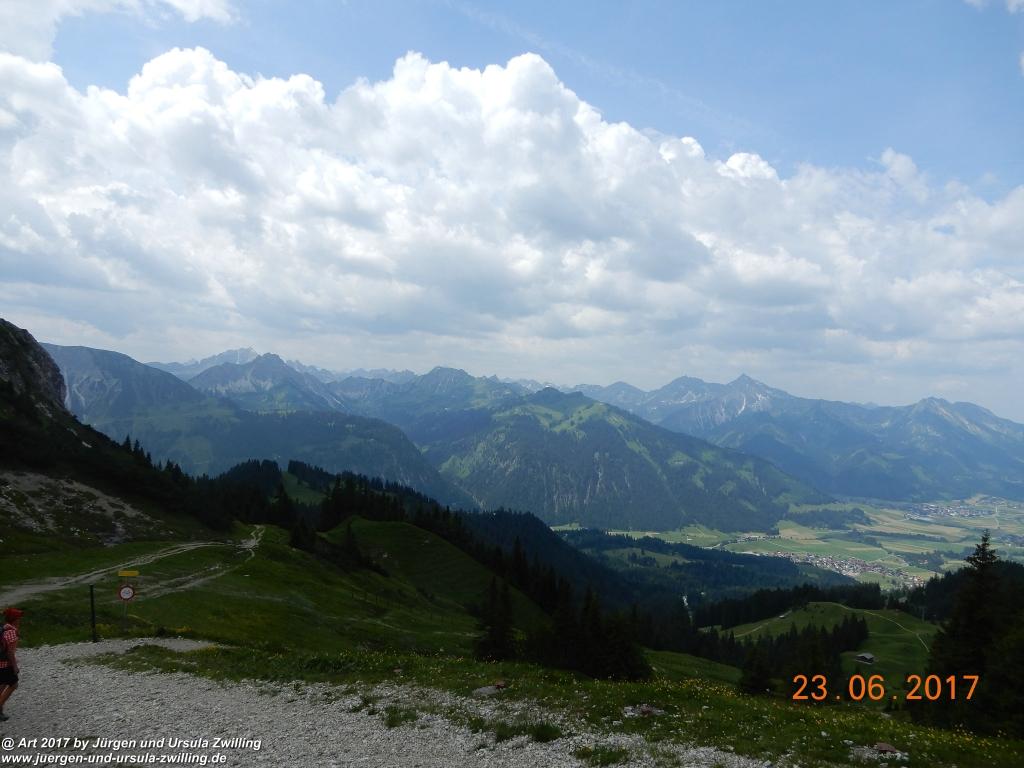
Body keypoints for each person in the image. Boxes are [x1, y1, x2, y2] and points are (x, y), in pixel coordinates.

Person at [0, 607, 23, 722]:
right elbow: (10, 652)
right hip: (5, 664)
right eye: (18, 617)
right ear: (15, 619)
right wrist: (14, 666)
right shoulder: (12, 632)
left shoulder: (3, 628)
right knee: (13, 684)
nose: (20, 619)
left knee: (2, 684)